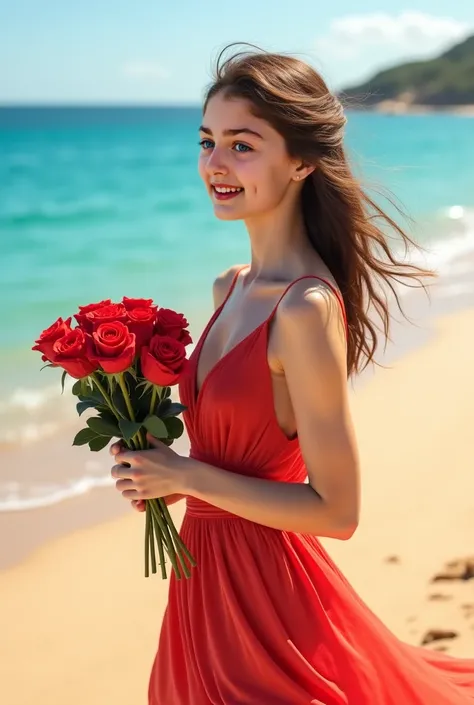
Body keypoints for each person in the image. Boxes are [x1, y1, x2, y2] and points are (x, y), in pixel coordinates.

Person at [110, 44, 474, 704]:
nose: (214, 164)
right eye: (207, 141)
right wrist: (158, 475)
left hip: (271, 611)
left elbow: (337, 510)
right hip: (200, 595)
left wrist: (189, 475)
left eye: (242, 145)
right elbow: (227, 463)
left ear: (301, 161)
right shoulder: (230, 287)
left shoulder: (305, 308)